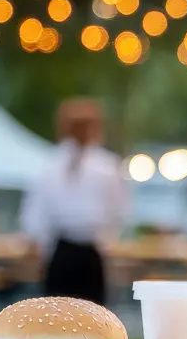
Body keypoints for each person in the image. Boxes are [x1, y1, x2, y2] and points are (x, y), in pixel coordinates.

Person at [21, 98, 129, 306]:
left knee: (92, 313)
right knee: (56, 311)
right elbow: (37, 210)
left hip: (90, 250)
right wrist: (41, 244)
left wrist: (105, 242)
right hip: (61, 248)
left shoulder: (106, 166)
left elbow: (119, 210)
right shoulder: (52, 164)